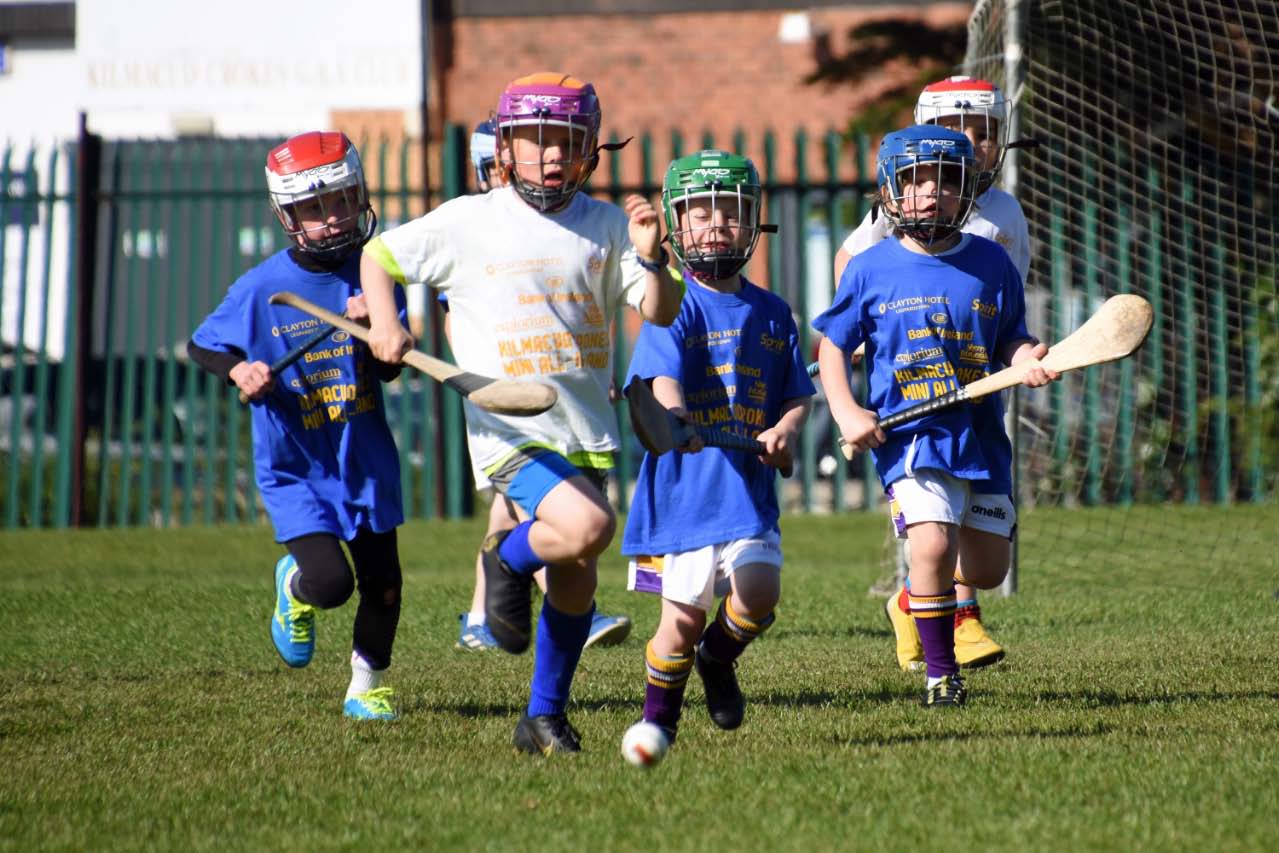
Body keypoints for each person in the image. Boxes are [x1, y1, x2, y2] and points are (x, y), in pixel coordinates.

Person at [358, 72, 683, 755]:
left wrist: (652, 260)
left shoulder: (603, 225)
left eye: (565, 142)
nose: (550, 156)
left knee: (576, 574)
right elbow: (377, 255)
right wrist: (386, 323)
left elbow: (658, 311)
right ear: (506, 147)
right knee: (590, 525)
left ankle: (542, 717)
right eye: (535, 141)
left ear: (591, 149)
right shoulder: (468, 221)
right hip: (509, 427)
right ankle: (506, 561)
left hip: (585, 428)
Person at [813, 125, 1058, 707]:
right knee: (930, 547)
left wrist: (1026, 359)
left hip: (979, 434)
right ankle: (941, 675)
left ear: (968, 189)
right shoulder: (870, 267)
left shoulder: (992, 262)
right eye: (915, 180)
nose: (930, 193)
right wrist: (848, 412)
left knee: (988, 569)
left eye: (946, 181)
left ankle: (913, 602)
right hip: (911, 437)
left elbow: (1010, 339)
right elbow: (830, 347)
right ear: (890, 192)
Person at [188, 131, 408, 721]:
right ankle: (294, 589)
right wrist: (241, 371)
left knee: (384, 585)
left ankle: (366, 685)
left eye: (340, 200)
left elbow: (388, 374)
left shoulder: (376, 275)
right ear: (288, 215)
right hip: (297, 472)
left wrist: (375, 333)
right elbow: (202, 345)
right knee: (331, 584)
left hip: (363, 461)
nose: (332, 219)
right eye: (314, 208)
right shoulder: (261, 288)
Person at [622, 150, 814, 744]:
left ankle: (718, 658)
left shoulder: (774, 312)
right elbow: (660, 380)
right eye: (700, 214)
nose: (716, 225)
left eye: (729, 212)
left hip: (746, 495)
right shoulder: (672, 304)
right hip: (685, 499)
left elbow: (795, 394)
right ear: (678, 225)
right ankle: (660, 722)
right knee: (677, 626)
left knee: (759, 594)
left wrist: (785, 431)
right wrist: (678, 415)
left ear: (753, 219)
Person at [451, 119, 632, 653]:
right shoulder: (476, 234)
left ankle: (482, 617)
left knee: (512, 513)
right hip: (507, 409)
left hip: (565, 411)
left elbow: (582, 319)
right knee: (549, 514)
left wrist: (596, 378)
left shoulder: (571, 229)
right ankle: (563, 604)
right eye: (489, 169)